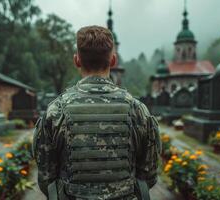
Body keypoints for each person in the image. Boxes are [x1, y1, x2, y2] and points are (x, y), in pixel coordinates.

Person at [33, 25, 160, 200]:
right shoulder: (137, 110)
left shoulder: (56, 110)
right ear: (113, 60)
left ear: (77, 60)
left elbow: (46, 178)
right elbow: (149, 175)